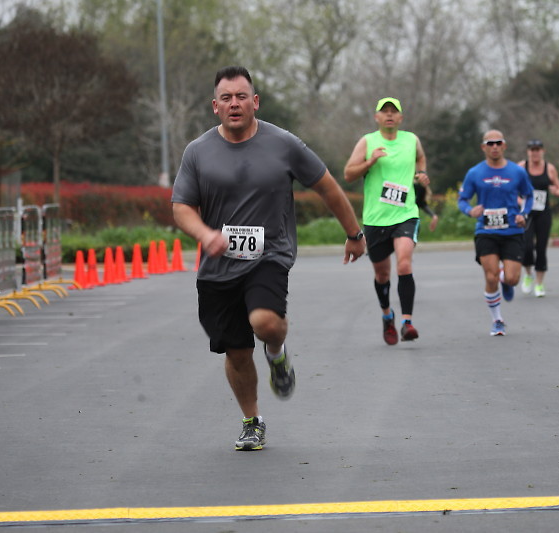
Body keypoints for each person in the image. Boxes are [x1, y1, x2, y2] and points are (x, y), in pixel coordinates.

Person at [171, 66, 366, 451]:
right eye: (226, 98)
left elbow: (327, 187)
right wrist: (205, 234)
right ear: (215, 106)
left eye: (241, 96)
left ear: (255, 102)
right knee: (237, 351)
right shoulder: (197, 152)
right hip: (217, 267)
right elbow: (181, 207)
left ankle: (276, 352)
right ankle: (252, 420)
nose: (234, 104)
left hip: (268, 255)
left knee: (266, 323)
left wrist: (354, 234)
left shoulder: (284, 144)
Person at [344, 97, 430, 345]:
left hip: (406, 214)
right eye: (385, 111)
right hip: (376, 218)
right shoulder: (367, 141)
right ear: (377, 117)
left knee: (404, 264)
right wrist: (370, 161)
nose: (389, 115)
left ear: (401, 118)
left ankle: (407, 322)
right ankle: (387, 315)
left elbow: (420, 158)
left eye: (394, 111)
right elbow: (348, 174)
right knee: (382, 274)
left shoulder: (411, 140)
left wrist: (421, 173)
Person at [458, 130, 533, 336]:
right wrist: (470, 211)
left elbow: (529, 196)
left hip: (512, 231)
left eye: (498, 143)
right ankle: (497, 320)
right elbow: (462, 200)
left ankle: (505, 278)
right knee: (490, 277)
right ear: (483, 147)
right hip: (486, 231)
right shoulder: (475, 173)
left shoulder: (517, 172)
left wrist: (523, 214)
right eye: (490, 143)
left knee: (512, 279)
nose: (494, 147)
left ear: (504, 146)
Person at [517, 139, 559, 297]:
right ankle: (528, 274)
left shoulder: (549, 168)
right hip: (526, 212)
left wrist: (555, 190)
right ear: (528, 152)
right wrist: (520, 201)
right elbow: (512, 189)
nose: (535, 153)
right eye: (532, 150)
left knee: (541, 248)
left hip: (543, 213)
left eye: (537, 149)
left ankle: (539, 283)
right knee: (527, 246)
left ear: (543, 151)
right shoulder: (521, 167)